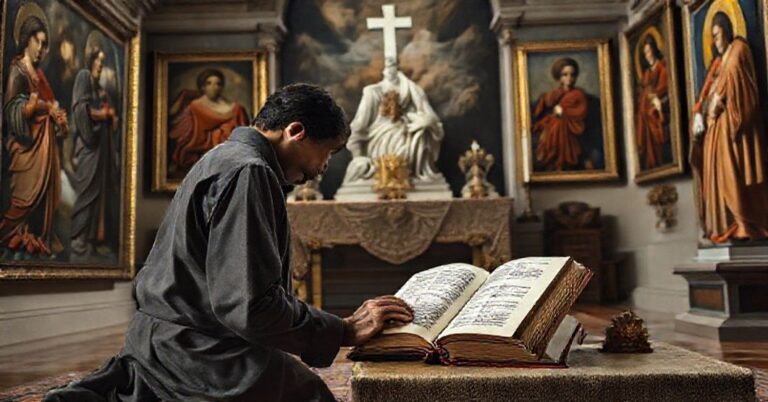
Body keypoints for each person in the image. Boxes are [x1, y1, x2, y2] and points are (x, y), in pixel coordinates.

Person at [43, 84, 414, 402]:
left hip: (164, 338)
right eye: (328, 153)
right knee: (309, 394)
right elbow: (250, 309)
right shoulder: (250, 172)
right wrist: (343, 330)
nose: (323, 168)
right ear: (296, 131)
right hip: (193, 349)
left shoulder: (226, 157)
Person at [689, 12, 768, 244]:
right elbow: (705, 95)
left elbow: (745, 90)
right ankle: (725, 225)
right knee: (716, 177)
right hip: (715, 128)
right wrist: (700, 114)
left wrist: (721, 103)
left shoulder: (738, 49)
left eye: (717, 35)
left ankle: (743, 223)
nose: (715, 41)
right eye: (712, 38)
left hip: (731, 125)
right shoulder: (716, 63)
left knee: (732, 171)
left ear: (727, 29)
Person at [0, 10, 68, 257]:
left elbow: (51, 105)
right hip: (26, 146)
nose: (41, 48)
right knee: (24, 197)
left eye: (44, 44)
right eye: (37, 41)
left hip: (44, 146)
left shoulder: (40, 76)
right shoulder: (17, 70)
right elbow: (11, 109)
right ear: (25, 39)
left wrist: (55, 114)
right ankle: (9, 231)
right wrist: (34, 106)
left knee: (41, 198)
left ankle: (29, 234)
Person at [343, 57, 445, 184]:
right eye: (388, 104)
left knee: (422, 133)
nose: (392, 107)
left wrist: (427, 122)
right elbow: (359, 125)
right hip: (379, 138)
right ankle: (383, 172)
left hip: (405, 135)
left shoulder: (412, 91)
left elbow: (431, 118)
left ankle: (409, 173)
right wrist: (358, 156)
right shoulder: (372, 92)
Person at [69, 47, 120, 257]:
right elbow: (81, 109)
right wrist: (103, 114)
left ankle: (92, 238)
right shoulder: (83, 77)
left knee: (99, 194)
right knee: (87, 191)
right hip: (89, 147)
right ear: (90, 60)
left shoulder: (99, 88)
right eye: (98, 60)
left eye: (103, 60)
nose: (100, 64)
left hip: (101, 148)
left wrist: (112, 118)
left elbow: (106, 116)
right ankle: (78, 237)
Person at [168, 68, 249, 172]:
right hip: (200, 155)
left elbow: (243, 139)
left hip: (226, 158)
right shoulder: (195, 107)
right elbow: (184, 135)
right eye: (209, 83)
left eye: (218, 84)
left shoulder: (237, 109)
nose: (214, 87)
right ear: (202, 87)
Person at [532, 57, 588, 171]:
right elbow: (545, 102)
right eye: (565, 74)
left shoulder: (578, 94)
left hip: (568, 131)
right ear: (559, 77)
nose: (569, 78)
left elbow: (581, 111)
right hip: (552, 128)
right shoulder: (554, 94)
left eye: (572, 74)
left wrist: (563, 111)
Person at [635, 35, 669, 169]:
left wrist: (651, 95)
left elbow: (663, 88)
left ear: (654, 50)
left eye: (649, 51)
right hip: (645, 116)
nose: (647, 56)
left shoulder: (662, 68)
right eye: (645, 53)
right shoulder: (646, 73)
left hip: (655, 112)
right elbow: (643, 89)